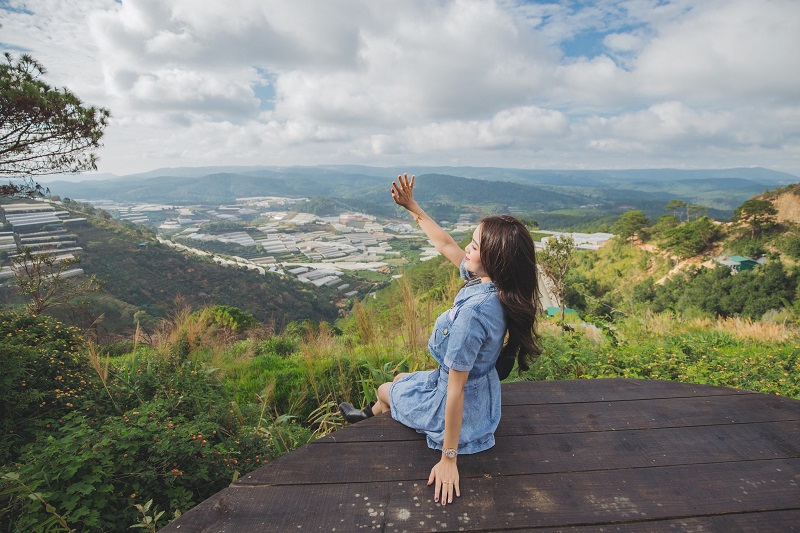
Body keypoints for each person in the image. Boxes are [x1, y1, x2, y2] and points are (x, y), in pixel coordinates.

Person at [339, 173, 541, 506]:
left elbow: (456, 390)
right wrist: (412, 207)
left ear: (493, 259)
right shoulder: (495, 286)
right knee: (403, 378)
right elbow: (445, 245)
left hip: (459, 406)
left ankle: (365, 420)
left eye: (474, 246)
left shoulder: (473, 314)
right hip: (477, 391)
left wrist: (449, 458)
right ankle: (366, 416)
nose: (467, 249)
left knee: (385, 390)